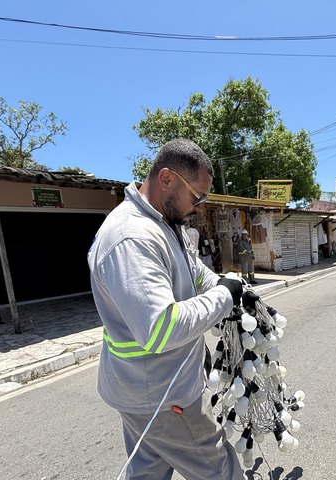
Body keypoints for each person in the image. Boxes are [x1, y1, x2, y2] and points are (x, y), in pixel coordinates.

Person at [88, 138, 245, 480]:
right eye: (197, 197)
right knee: (221, 471)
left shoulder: (165, 224)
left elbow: (194, 273)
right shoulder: (132, 238)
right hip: (163, 397)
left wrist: (222, 284)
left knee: (148, 471)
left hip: (146, 391)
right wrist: (224, 297)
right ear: (167, 179)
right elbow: (161, 328)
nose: (199, 207)